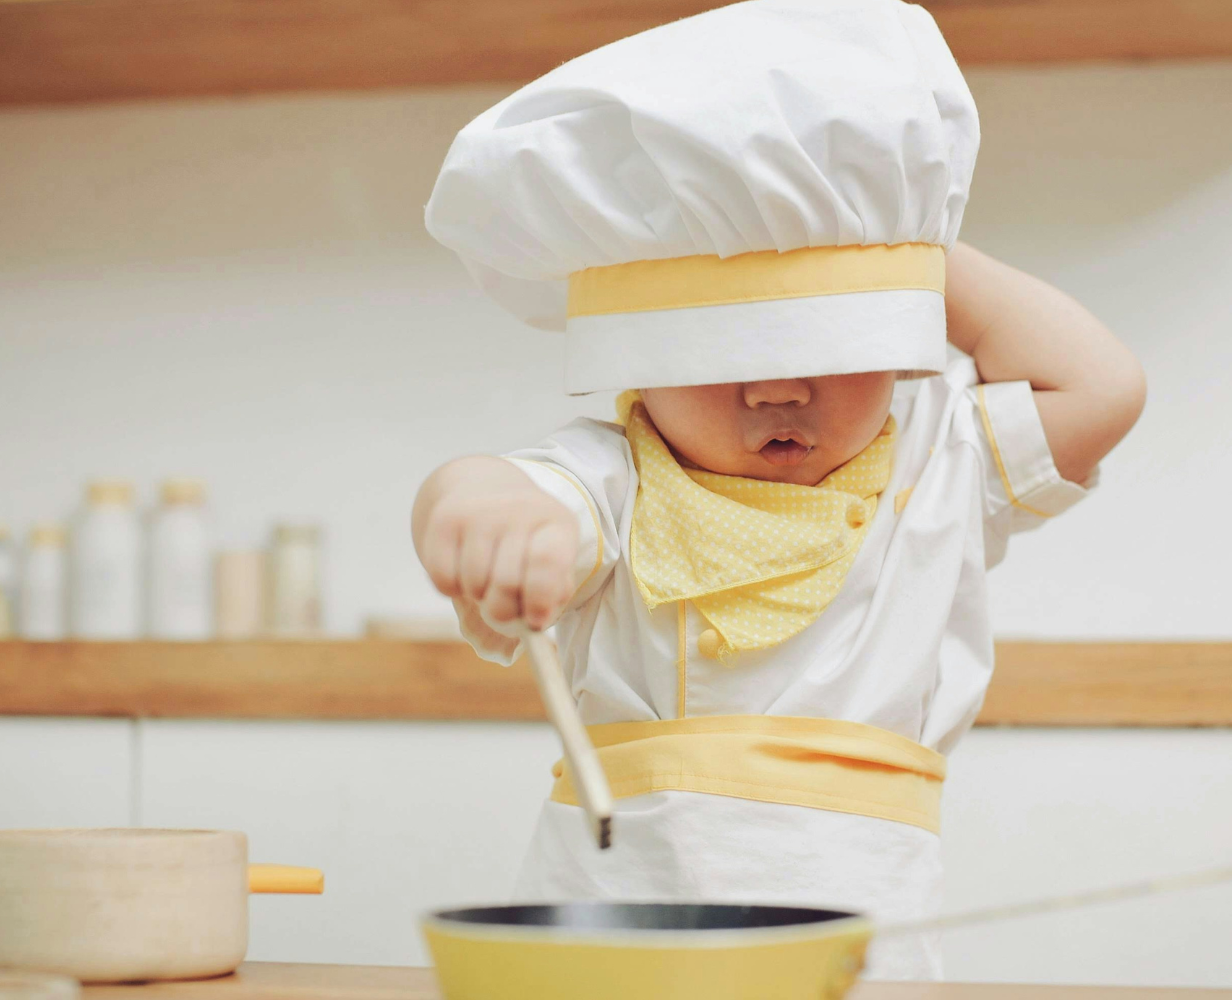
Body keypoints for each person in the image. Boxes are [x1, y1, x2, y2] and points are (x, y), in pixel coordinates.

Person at [412, 0, 1144, 980]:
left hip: (864, 937)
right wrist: (477, 511)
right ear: (637, 360)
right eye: (717, 350)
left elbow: (1103, 387)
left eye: (831, 340)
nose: (775, 386)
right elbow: (494, 487)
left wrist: (897, 235)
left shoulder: (939, 460)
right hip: (617, 930)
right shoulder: (614, 476)